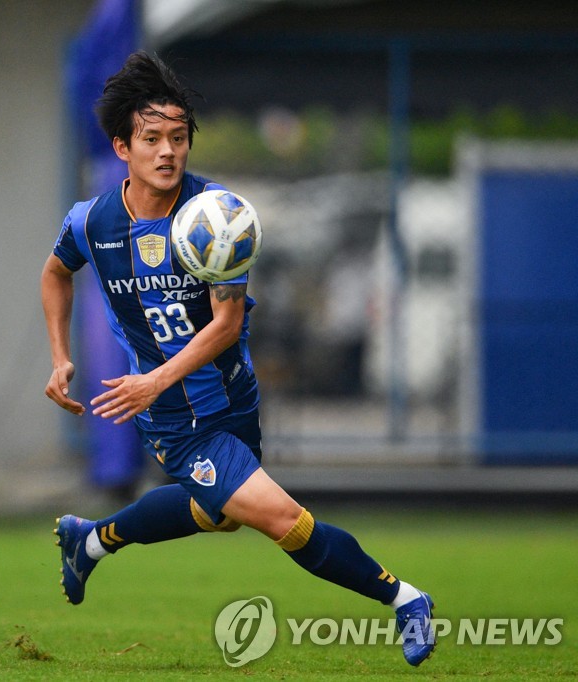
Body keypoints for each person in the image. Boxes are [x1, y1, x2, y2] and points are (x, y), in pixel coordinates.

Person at [41, 51, 436, 668]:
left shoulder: (218, 217)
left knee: (217, 515)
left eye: (178, 137)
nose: (168, 151)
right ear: (122, 146)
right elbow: (55, 274)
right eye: (152, 139)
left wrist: (154, 377)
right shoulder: (92, 223)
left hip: (232, 398)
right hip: (176, 420)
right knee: (284, 520)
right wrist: (61, 357)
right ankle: (406, 599)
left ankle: (90, 540)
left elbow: (226, 324)